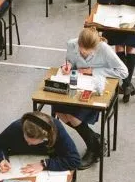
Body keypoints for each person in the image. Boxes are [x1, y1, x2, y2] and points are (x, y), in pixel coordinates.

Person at [53, 27, 127, 169]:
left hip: (95, 89)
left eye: (88, 51)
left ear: (96, 46)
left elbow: (123, 71)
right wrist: (66, 67)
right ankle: (96, 140)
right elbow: (70, 63)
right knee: (59, 112)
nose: (84, 53)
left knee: (73, 117)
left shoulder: (104, 49)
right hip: (77, 86)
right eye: (81, 49)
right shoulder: (71, 44)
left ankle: (93, 148)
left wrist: (93, 70)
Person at [98, 0, 135, 102]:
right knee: (120, 44)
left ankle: (126, 84)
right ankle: (127, 85)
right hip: (116, 16)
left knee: (129, 46)